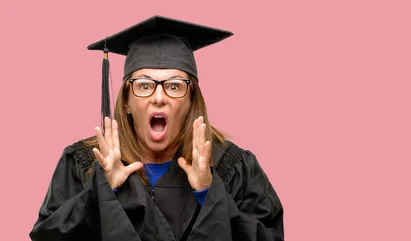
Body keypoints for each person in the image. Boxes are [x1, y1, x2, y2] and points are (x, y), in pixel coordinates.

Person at [29, 15, 284, 241]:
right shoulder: (84, 164)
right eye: (143, 84)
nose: (159, 97)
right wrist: (100, 192)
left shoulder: (233, 167)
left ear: (190, 100)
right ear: (126, 101)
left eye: (174, 86)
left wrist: (210, 193)